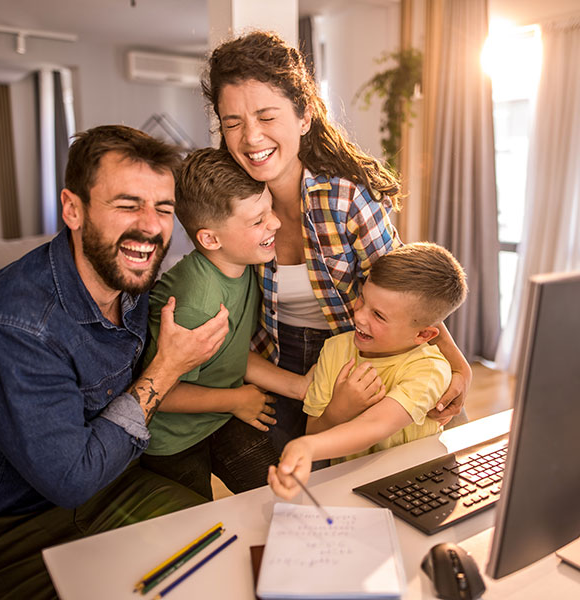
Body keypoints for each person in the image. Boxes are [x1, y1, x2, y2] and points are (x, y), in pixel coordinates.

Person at [0, 125, 230, 599]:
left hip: (110, 492)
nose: (151, 226)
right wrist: (167, 367)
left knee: (222, 551)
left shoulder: (129, 278)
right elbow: (71, 480)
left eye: (164, 209)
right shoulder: (14, 323)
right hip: (5, 536)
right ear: (73, 209)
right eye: (128, 205)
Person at [204, 30, 470, 453]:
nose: (250, 137)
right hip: (278, 361)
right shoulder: (229, 209)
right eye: (232, 122)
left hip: (364, 355)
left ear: (304, 117)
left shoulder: (347, 200)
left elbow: (403, 294)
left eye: (267, 117)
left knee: (408, 465)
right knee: (291, 490)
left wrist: (459, 367)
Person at [140, 147, 310, 499]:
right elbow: (161, 394)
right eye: (257, 220)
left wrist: (298, 387)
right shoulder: (195, 304)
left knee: (280, 495)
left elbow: (229, 355)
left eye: (270, 210)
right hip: (173, 440)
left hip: (221, 416)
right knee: (195, 526)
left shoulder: (248, 264)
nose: (275, 223)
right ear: (210, 239)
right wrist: (234, 400)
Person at [267, 243, 468, 498]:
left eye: (379, 316)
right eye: (362, 299)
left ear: (423, 334)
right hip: (351, 488)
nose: (360, 317)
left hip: (416, 488)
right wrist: (336, 412)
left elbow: (377, 423)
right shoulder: (335, 349)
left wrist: (306, 446)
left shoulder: (430, 370)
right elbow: (314, 431)